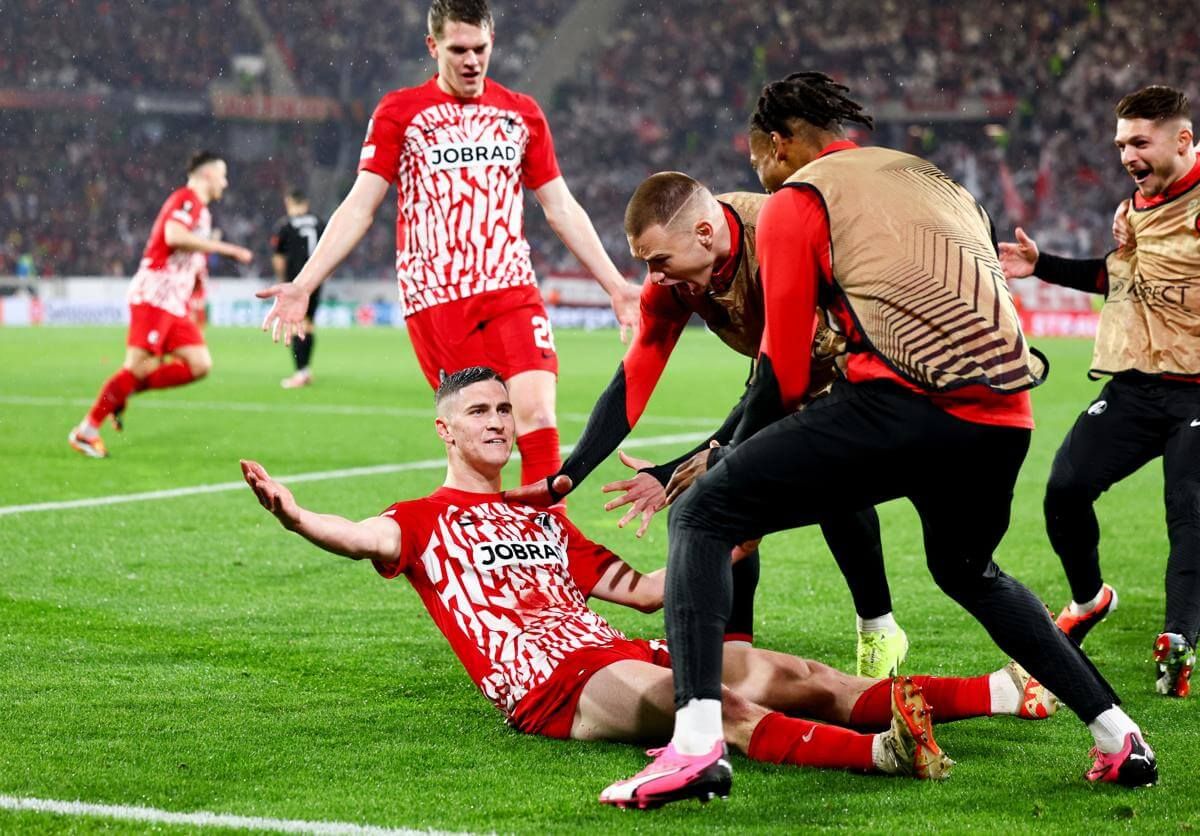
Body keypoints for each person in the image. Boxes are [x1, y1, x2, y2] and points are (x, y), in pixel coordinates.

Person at [602, 72, 1159, 807]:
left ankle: (697, 744)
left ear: (779, 146)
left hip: (902, 400)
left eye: (759, 162)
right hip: (1003, 416)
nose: (758, 178)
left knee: (703, 514)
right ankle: (1120, 735)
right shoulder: (936, 180)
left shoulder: (796, 201)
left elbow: (787, 373)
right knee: (969, 570)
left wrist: (720, 460)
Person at [242, 366, 1058, 808]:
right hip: (553, 685)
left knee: (799, 675)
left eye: (503, 410)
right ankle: (884, 756)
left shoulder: (542, 521)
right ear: (445, 428)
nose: (497, 421)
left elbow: (642, 588)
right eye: (478, 412)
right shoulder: (418, 519)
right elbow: (358, 538)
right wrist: (295, 515)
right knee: (713, 706)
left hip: (614, 646)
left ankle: (1001, 688)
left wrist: (740, 524)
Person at [506, 172, 909, 678]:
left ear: (702, 233)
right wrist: (571, 474)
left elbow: (779, 386)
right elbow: (633, 377)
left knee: (826, 478)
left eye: (659, 261)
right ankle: (733, 647)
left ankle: (879, 627)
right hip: (780, 370)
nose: (652, 278)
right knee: (726, 495)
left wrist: (688, 463)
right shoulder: (676, 281)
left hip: (865, 364)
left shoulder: (777, 241)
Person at [255, 0, 640, 488]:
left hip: (511, 289)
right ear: (433, 46)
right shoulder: (401, 112)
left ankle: (546, 550)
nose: (471, 61)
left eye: (480, 48)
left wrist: (615, 285)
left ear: (492, 43)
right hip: (437, 300)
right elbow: (360, 205)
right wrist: (305, 282)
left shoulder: (521, 114)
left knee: (538, 418)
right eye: (458, 50)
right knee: (482, 440)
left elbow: (560, 207)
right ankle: (487, 550)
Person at [999, 85, 1200, 698]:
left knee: (1187, 506)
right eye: (1120, 144)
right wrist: (1044, 265)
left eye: (1139, 142)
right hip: (1138, 384)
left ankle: (1179, 641)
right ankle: (1090, 599)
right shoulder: (1137, 206)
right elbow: (1118, 280)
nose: (1126, 155)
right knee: (1064, 488)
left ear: (1182, 140)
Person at [68, 150, 253, 458]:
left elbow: (190, 262)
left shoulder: (203, 213)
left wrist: (196, 296)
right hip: (155, 295)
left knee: (199, 364)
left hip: (174, 303)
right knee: (137, 366)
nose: (226, 181)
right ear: (207, 175)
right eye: (222, 174)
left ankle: (119, 392)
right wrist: (225, 249)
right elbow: (173, 235)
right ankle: (86, 432)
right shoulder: (187, 199)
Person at [272, 189, 327, 389]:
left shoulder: (285, 225)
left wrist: (282, 281)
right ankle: (306, 371)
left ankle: (301, 373)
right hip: (316, 279)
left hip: (296, 281)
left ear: (289, 202)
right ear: (306, 203)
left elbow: (279, 258)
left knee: (296, 326)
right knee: (309, 324)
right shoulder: (319, 222)